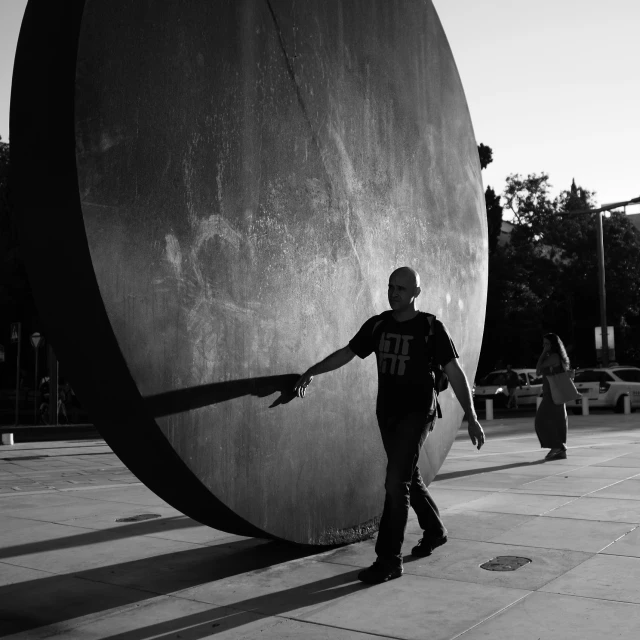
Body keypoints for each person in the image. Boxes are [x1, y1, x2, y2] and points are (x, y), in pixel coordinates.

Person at [294, 267, 485, 585]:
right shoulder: (378, 325)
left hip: (418, 414)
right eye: (390, 286)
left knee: (395, 484)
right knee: (407, 476)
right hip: (388, 414)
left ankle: (388, 560)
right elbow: (348, 353)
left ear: (416, 293)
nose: (393, 292)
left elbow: (454, 372)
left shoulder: (430, 327)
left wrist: (473, 418)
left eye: (401, 288)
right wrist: (313, 370)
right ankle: (435, 530)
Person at [535, 333, 570, 460]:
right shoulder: (553, 356)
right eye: (543, 344)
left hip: (553, 394)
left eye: (547, 344)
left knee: (540, 421)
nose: (544, 346)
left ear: (553, 345)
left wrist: (543, 353)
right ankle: (560, 450)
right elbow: (538, 373)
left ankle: (558, 446)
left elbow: (538, 369)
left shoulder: (554, 357)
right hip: (553, 394)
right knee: (557, 422)